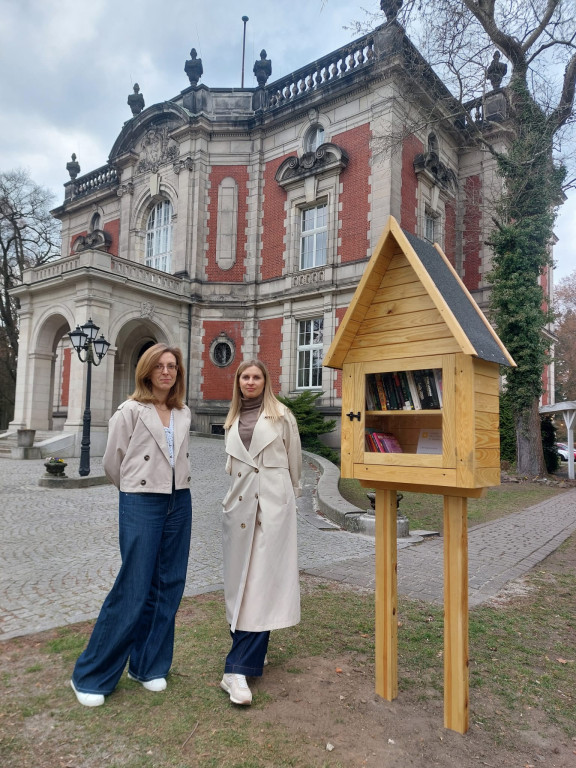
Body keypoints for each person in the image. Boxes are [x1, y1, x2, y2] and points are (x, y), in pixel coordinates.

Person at [70, 343, 192, 707]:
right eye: (160, 366)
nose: (167, 372)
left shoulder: (184, 412)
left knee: (169, 583)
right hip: (141, 500)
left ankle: (148, 665)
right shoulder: (130, 411)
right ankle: (90, 675)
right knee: (135, 585)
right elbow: (113, 463)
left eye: (172, 366)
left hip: (179, 500)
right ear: (147, 371)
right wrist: (135, 494)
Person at [220, 360, 302, 706]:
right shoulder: (232, 419)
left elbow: (295, 465)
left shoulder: (282, 416)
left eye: (256, 377)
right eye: (244, 377)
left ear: (265, 381)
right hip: (239, 509)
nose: (250, 381)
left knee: (260, 584)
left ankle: (235, 670)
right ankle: (254, 653)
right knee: (243, 584)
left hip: (272, 508)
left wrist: (286, 503)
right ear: (238, 382)